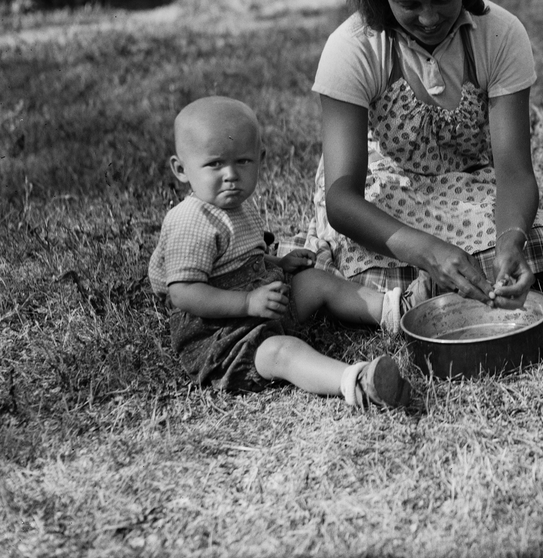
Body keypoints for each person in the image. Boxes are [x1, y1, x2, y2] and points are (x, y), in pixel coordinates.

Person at [304, 0, 543, 309]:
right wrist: (427, 251)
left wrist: (509, 241)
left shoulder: (499, 35)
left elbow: (513, 171)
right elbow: (342, 198)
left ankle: (446, 278)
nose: (428, 18)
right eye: (409, 5)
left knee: (535, 242)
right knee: (362, 262)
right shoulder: (353, 47)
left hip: (468, 183)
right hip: (385, 190)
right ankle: (416, 283)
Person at [149, 96, 411, 410]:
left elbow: (241, 260)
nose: (231, 174)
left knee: (317, 281)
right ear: (181, 169)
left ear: (260, 158)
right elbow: (183, 293)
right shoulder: (190, 221)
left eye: (242, 161)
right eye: (215, 164)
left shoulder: (236, 209)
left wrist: (278, 263)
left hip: (265, 304)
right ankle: (357, 382)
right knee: (282, 352)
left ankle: (397, 310)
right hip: (221, 333)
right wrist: (247, 302)